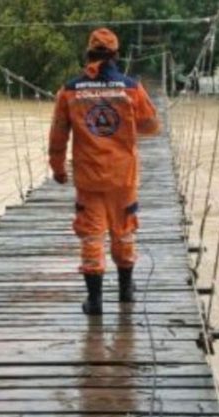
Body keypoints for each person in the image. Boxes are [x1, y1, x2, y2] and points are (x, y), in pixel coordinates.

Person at [48, 28, 160, 315]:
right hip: (123, 177)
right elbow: (151, 126)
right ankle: (125, 291)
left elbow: (58, 134)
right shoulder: (131, 87)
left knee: (91, 236)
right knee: (123, 233)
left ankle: (95, 300)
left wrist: (58, 167)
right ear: (116, 55)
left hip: (88, 178)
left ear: (88, 54)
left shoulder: (69, 90)